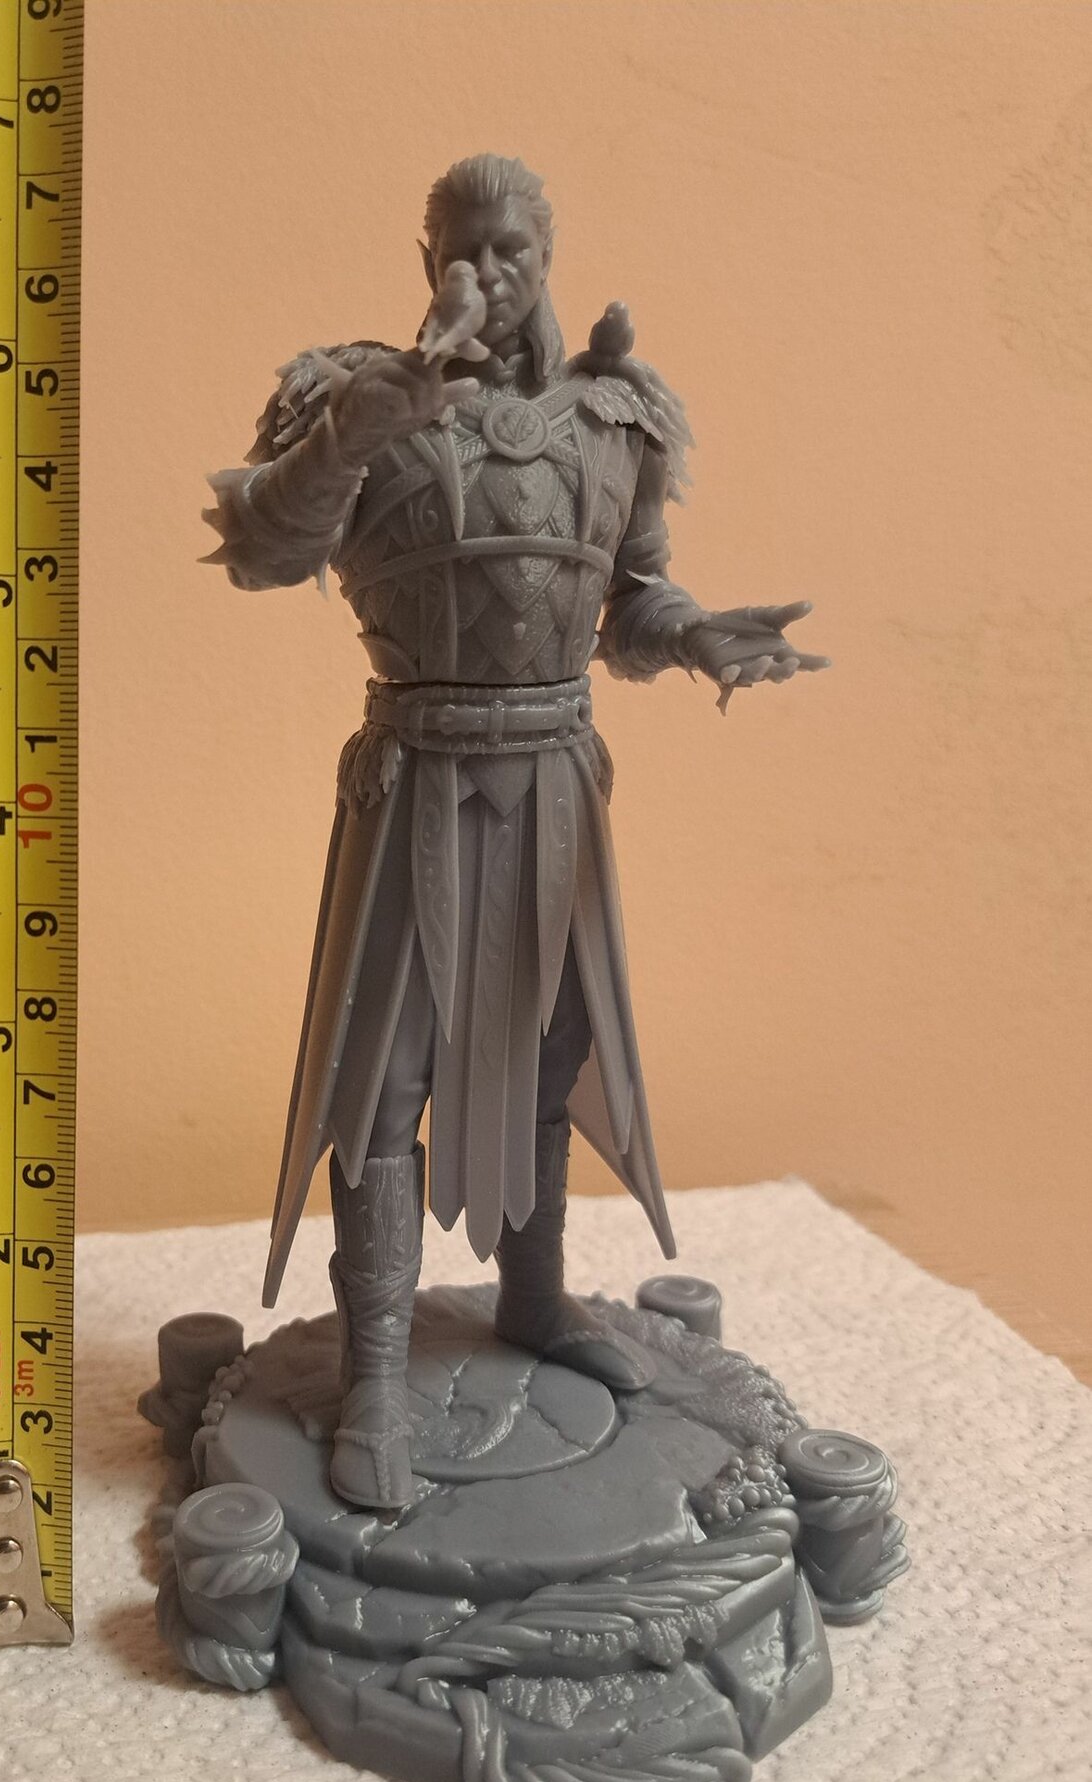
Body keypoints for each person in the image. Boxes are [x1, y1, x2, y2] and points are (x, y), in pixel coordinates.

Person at [205, 154, 825, 1508]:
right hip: (414, 779)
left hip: (555, 780)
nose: (488, 275)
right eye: (463, 249)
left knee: (553, 1049)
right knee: (385, 1081)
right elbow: (260, 548)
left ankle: (532, 1297)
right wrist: (354, 431)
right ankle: (376, 1374)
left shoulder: (614, 413)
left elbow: (630, 598)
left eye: (513, 250)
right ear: (425, 257)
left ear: (548, 254)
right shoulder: (353, 394)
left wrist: (697, 634)